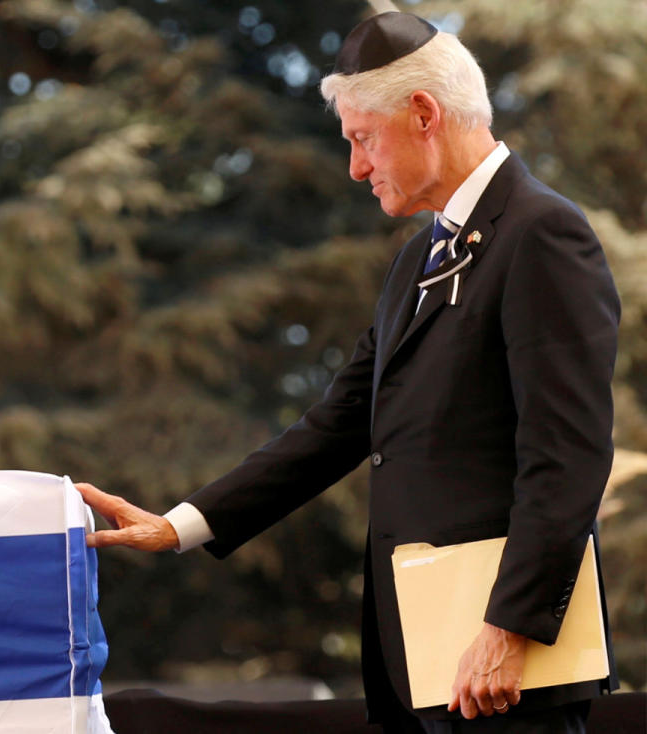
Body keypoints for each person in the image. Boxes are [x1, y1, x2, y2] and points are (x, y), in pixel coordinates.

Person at [76, 11, 620, 733]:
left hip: (498, 672)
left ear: (424, 114)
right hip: (422, 663)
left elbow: (567, 456)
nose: (357, 168)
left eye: (363, 139)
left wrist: (510, 628)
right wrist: (177, 526)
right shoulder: (413, 261)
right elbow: (336, 425)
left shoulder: (542, 233)